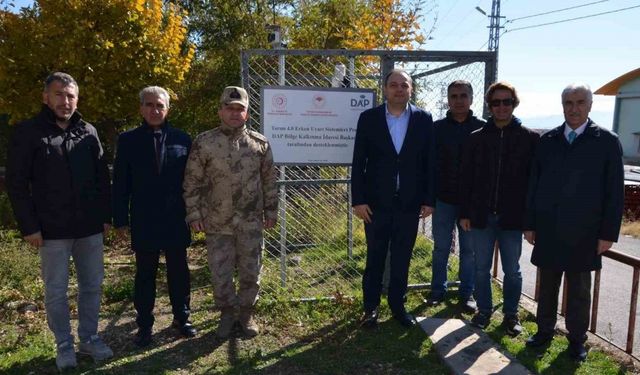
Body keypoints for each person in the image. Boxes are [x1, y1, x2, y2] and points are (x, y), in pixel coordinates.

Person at [6, 72, 113, 370]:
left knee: (92, 285)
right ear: (46, 97)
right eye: (58, 95)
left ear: (76, 99)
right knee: (56, 290)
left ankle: (90, 338)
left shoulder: (88, 131)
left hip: (89, 228)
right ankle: (64, 345)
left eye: (70, 96)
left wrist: (105, 217)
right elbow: (16, 184)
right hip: (51, 230)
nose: (65, 101)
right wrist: (29, 226)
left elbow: (102, 179)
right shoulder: (29, 133)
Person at [524, 84, 624, 361]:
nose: (574, 108)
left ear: (590, 105)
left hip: (586, 231)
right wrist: (530, 223)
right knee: (547, 286)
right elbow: (535, 183)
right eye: (569, 102)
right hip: (549, 226)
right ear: (562, 105)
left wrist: (608, 233)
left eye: (580, 102)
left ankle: (577, 340)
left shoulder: (606, 140)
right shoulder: (548, 140)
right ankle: (544, 331)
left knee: (579, 291)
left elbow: (614, 192)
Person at [183, 86, 277, 339]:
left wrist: (271, 211)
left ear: (247, 113)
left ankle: (246, 314)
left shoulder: (260, 144)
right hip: (217, 221)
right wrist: (194, 214)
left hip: (250, 221)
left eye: (240, 109)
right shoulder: (205, 143)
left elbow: (269, 181)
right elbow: (192, 181)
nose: (235, 113)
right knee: (220, 271)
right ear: (220, 111)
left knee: (251, 270)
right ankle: (226, 314)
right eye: (230, 108)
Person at [112, 86, 196, 347]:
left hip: (175, 218)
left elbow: (193, 181)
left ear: (167, 108)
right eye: (149, 105)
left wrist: (195, 213)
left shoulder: (183, 139)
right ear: (141, 108)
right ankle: (144, 325)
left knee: (179, 271)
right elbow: (120, 183)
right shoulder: (128, 140)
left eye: (160, 105)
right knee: (145, 273)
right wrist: (120, 219)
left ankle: (181, 318)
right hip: (144, 219)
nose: (155, 110)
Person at [351, 69, 435, 329]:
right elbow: (358, 161)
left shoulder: (423, 118)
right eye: (394, 85)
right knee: (375, 257)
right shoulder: (369, 118)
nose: (399, 89)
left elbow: (430, 162)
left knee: (402, 257)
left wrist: (429, 199)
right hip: (375, 204)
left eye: (404, 85)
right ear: (385, 88)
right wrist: (358, 200)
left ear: (411, 89)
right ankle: (370, 309)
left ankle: (398, 307)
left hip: (409, 204)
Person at [458, 81, 539, 336]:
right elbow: (466, 180)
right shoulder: (476, 139)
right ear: (489, 106)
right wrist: (464, 213)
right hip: (481, 216)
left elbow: (534, 183)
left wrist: (530, 221)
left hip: (512, 218)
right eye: (496, 102)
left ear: (514, 104)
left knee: (512, 271)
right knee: (481, 268)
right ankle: (484, 310)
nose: (501, 107)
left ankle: (511, 315)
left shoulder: (530, 139)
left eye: (507, 102)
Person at [427, 80, 484, 313]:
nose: (458, 100)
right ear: (448, 100)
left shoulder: (483, 128)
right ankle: (437, 291)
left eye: (463, 96)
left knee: (469, 250)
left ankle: (467, 293)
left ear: (471, 98)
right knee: (441, 247)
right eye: (454, 96)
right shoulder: (437, 128)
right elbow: (429, 165)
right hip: (443, 199)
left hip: (470, 202)